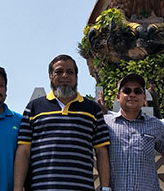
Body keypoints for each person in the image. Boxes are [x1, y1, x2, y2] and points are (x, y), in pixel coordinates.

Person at [13, 55, 111, 191]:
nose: (65, 76)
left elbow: (101, 151)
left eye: (70, 72)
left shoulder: (92, 109)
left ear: (76, 76)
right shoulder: (34, 107)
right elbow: (23, 151)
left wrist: (106, 188)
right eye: (59, 72)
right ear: (50, 76)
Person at [105, 72, 164, 191]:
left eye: (137, 91)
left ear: (144, 97)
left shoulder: (155, 125)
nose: (132, 94)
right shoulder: (105, 124)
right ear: (118, 97)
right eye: (127, 91)